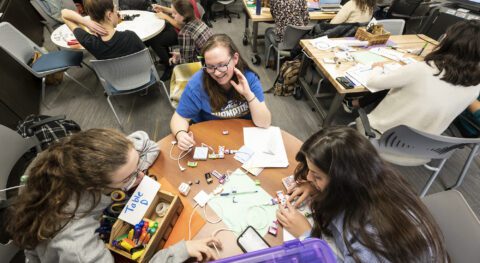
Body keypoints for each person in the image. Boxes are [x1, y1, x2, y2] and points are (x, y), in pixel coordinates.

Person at [6, 129, 221, 262]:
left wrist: (132, 170)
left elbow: (146, 144)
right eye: (128, 177)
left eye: (138, 167)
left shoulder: (80, 159)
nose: (140, 177)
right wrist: (181, 251)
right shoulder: (76, 245)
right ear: (94, 186)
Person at [276, 126, 448, 262]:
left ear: (343, 180)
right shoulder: (373, 178)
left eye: (317, 175)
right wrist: (317, 185)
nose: (307, 177)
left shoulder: (370, 233)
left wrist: (308, 237)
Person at [351, 20, 480, 136]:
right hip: (423, 149)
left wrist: (377, 67)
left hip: (380, 136)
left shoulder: (422, 69)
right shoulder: (476, 86)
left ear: (449, 42)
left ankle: (353, 103)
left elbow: (373, 82)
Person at [170, 34, 271, 151]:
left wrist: (249, 95)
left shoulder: (248, 78)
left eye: (222, 65)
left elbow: (264, 122)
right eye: (210, 67)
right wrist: (181, 134)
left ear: (235, 59)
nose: (217, 73)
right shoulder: (197, 83)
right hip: (210, 138)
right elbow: (179, 118)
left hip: (243, 137)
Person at [61, 0, 145, 60]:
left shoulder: (89, 42)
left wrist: (86, 22)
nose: (118, 13)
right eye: (116, 10)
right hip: (143, 78)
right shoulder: (130, 36)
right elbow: (146, 59)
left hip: (116, 83)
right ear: (109, 15)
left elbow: (64, 14)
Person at [264, 0, 309, 67]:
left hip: (283, 41)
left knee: (268, 31)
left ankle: (271, 60)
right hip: (300, 41)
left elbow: (274, 16)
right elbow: (306, 20)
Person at [167, 0, 213, 65]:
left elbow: (187, 62)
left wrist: (176, 60)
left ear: (184, 15)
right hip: (211, 55)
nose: (172, 15)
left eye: (175, 13)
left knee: (175, 67)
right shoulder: (198, 21)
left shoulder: (184, 33)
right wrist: (181, 54)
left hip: (205, 63)